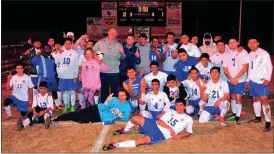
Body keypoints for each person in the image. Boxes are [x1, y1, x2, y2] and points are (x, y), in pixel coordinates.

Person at [102, 98, 193, 151]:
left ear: (185, 106)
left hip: (161, 134)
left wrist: (179, 136)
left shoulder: (188, 119)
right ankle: (124, 130)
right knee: (134, 118)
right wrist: (170, 129)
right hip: (154, 124)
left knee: (142, 141)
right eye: (177, 105)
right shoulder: (170, 111)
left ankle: (115, 145)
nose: (178, 107)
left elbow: (188, 132)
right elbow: (160, 121)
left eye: (181, 105)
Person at [52, 89, 131, 124]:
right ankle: (57, 118)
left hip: (101, 117)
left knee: (81, 119)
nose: (121, 97)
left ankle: (79, 119)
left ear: (126, 96)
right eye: (120, 95)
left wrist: (119, 114)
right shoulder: (115, 99)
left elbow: (126, 119)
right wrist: (107, 101)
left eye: (123, 95)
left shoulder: (127, 107)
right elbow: (106, 106)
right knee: (77, 113)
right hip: (97, 108)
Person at [246, 37, 273, 132]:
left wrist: (267, 78)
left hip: (261, 81)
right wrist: (248, 80)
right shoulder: (249, 54)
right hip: (253, 81)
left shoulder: (263, 53)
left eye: (254, 42)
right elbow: (250, 68)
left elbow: (269, 66)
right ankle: (258, 118)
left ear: (258, 43)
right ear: (248, 44)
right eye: (250, 42)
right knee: (255, 99)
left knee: (264, 101)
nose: (251, 44)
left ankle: (268, 123)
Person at [93, 27, 125, 103]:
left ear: (116, 34)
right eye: (112, 32)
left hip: (115, 72)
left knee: (115, 92)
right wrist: (99, 58)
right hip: (103, 72)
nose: (113, 34)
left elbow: (122, 58)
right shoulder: (100, 42)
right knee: (104, 91)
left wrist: (122, 53)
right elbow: (93, 51)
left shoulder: (119, 44)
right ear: (108, 32)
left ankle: (115, 107)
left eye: (115, 33)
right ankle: (104, 107)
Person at [223, 38, 248, 124]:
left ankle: (238, 116)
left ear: (238, 43)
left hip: (240, 80)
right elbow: (225, 69)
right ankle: (234, 113)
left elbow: (244, 67)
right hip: (230, 79)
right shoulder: (227, 54)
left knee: (238, 97)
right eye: (230, 43)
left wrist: (236, 78)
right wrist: (231, 79)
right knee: (232, 96)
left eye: (234, 42)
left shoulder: (243, 52)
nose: (232, 44)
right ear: (228, 44)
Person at [31, 44, 59, 108]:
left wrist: (55, 76)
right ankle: (38, 105)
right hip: (43, 78)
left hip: (52, 78)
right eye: (46, 48)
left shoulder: (52, 57)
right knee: (41, 92)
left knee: (54, 90)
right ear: (43, 50)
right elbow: (33, 62)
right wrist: (37, 55)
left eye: (49, 48)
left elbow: (54, 68)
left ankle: (57, 105)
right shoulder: (40, 57)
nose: (48, 50)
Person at [57, 38, 79, 112]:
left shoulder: (75, 53)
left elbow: (76, 65)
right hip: (63, 75)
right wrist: (58, 53)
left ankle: (72, 106)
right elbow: (56, 62)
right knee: (65, 92)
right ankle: (67, 105)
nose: (67, 44)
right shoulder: (61, 52)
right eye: (66, 43)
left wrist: (75, 76)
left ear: (71, 44)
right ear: (64, 44)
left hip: (71, 75)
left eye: (69, 43)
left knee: (72, 91)